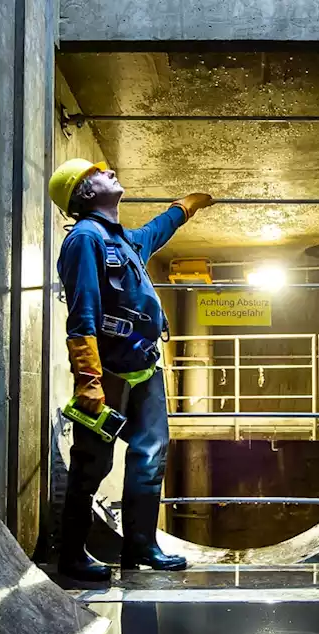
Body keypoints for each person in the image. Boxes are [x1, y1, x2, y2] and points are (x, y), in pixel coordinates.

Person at [49, 158, 215, 582]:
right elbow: (82, 314)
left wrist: (184, 207)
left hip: (144, 367)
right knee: (92, 464)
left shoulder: (122, 241)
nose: (111, 173)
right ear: (84, 192)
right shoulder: (85, 240)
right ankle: (72, 554)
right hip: (107, 374)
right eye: (100, 173)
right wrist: (88, 381)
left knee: (151, 455)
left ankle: (141, 545)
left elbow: (156, 231)